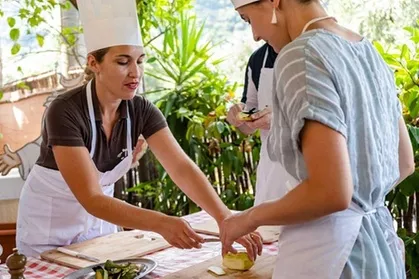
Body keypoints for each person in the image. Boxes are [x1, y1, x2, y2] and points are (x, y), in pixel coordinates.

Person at [16, 0, 263, 259]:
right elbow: (91, 198)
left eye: (140, 61)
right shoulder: (64, 111)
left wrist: (225, 217)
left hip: (97, 231)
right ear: (94, 63)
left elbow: (181, 167)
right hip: (48, 230)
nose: (135, 73)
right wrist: (161, 223)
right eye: (123, 62)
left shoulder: (141, 110)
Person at [220, 0, 414, 278]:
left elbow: (330, 192)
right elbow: (404, 163)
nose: (255, 35)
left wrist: (249, 218)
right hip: (377, 248)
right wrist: (359, 203)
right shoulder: (368, 52)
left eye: (247, 19)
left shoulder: (300, 54)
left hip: (329, 255)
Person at [227, 43, 298, 205]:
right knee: (267, 229)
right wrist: (239, 117)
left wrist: (278, 120)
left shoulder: (307, 53)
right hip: (271, 171)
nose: (254, 36)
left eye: (251, 20)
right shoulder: (258, 59)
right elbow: (248, 126)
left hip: (305, 170)